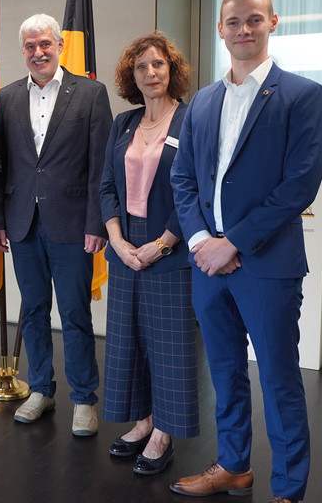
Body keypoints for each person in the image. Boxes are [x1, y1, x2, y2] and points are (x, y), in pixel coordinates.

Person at [169, 0, 322, 503]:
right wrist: (201, 240)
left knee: (279, 381)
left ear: (272, 23)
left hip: (267, 266)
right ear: (220, 29)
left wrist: (231, 243)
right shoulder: (203, 101)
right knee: (224, 373)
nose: (244, 29)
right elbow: (183, 178)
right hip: (207, 265)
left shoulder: (303, 95)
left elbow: (299, 186)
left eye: (254, 19)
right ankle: (235, 466)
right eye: (234, 21)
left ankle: (289, 490)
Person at [0, 13, 111, 436]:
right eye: (30, 46)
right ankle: (41, 389)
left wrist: (97, 222)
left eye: (45, 44)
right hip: (21, 224)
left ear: (60, 45)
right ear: (22, 50)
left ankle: (84, 398)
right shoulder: (7, 97)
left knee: (75, 313)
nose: (38, 52)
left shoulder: (91, 93)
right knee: (34, 310)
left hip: (73, 225)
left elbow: (101, 166)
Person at [99, 32, 198, 476]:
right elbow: (105, 186)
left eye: (158, 64)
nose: (150, 73)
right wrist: (117, 241)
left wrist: (162, 244)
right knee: (128, 342)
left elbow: (194, 192)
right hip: (124, 248)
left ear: (172, 70)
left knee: (169, 345)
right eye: (141, 66)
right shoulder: (123, 123)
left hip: (171, 247)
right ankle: (143, 421)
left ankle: (164, 433)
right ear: (131, 76)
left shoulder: (190, 121)